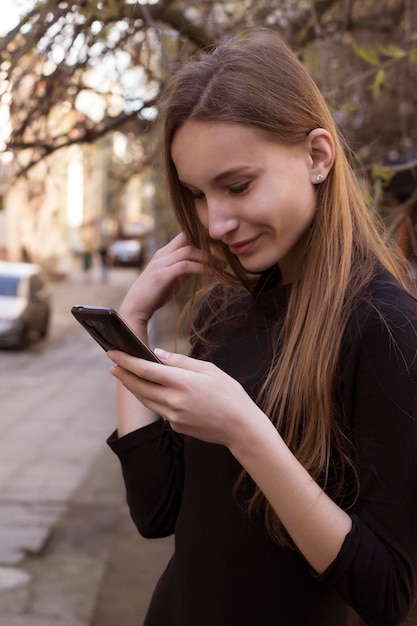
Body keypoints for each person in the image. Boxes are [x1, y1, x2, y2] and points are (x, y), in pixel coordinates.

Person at [106, 29, 417, 625]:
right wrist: (130, 325)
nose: (215, 221)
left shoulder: (388, 329)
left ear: (318, 157)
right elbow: (157, 511)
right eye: (197, 194)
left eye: (238, 185)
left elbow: (388, 593)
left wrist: (246, 431)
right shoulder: (224, 316)